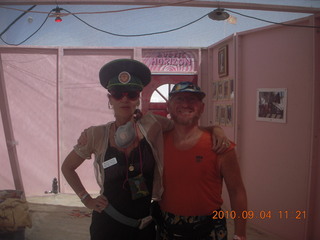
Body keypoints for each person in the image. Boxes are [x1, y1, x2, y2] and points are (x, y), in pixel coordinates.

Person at [61, 59, 229, 240]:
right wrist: (86, 198)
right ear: (110, 99)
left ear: (138, 98)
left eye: (131, 94)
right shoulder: (96, 135)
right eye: (118, 94)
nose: (124, 99)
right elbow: (67, 167)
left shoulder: (153, 124)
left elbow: (187, 127)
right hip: (107, 225)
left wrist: (215, 129)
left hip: (144, 227)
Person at [156, 82, 247, 240]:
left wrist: (240, 234)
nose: (186, 104)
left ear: (202, 107)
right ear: (169, 107)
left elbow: (237, 191)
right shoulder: (157, 142)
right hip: (167, 226)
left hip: (209, 228)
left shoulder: (221, 147)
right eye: (179, 99)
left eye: (192, 99)